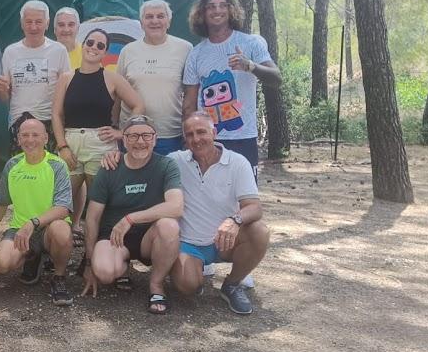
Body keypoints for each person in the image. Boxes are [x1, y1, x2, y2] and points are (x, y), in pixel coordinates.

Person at [168, 112, 270, 314]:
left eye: (201, 132)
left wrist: (235, 220)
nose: (196, 139)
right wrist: (115, 155)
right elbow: (144, 163)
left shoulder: (237, 162)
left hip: (225, 240)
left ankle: (232, 284)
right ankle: (194, 272)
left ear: (214, 133)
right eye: (190, 134)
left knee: (260, 231)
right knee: (187, 286)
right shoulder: (175, 161)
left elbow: (254, 207)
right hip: (189, 242)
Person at [81, 115, 183, 315]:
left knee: (169, 226)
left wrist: (131, 219)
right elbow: (92, 218)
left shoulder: (166, 165)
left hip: (149, 237)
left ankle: (156, 286)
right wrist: (89, 262)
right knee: (104, 273)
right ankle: (122, 264)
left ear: (155, 139)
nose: (140, 141)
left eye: (146, 135)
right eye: (133, 136)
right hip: (114, 236)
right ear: (124, 140)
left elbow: (176, 207)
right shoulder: (110, 167)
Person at [51, 28, 144, 237]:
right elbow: (56, 114)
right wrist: (62, 146)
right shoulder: (66, 78)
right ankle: (59, 244)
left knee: (99, 203)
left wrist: (122, 133)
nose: (94, 47)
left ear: (105, 52)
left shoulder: (113, 78)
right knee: (62, 199)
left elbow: (138, 105)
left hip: (101, 144)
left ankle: (95, 249)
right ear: (83, 44)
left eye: (100, 46)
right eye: (90, 42)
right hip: (71, 141)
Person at [183, 0, 281, 175]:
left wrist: (250, 66)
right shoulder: (196, 54)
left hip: (243, 137)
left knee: (245, 190)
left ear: (231, 10)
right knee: (209, 189)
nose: (217, 10)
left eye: (222, 5)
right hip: (207, 138)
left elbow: (276, 79)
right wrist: (188, 137)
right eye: (211, 7)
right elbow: (189, 103)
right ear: (202, 13)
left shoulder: (250, 43)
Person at [0, 117, 74, 307]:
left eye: (35, 135)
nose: (30, 140)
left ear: (46, 138)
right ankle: (33, 257)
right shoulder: (12, 165)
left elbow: (63, 208)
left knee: (61, 230)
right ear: (18, 139)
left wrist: (33, 223)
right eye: (25, 135)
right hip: (20, 229)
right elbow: (0, 204)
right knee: (0, 263)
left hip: (48, 228)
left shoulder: (57, 165)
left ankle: (59, 277)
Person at [116, 0, 193, 155]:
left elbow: (191, 93)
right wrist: (116, 127)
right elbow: (117, 93)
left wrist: (189, 129)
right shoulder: (127, 51)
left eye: (160, 16)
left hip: (171, 135)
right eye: (149, 17)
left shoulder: (185, 49)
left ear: (169, 21)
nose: (155, 21)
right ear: (141, 23)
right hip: (133, 134)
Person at [0, 0, 70, 153]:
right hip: (18, 122)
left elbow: (67, 90)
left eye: (38, 22)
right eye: (29, 22)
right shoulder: (10, 52)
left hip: (49, 122)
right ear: (22, 23)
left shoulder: (59, 51)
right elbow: (5, 98)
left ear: (47, 23)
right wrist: (1, 89)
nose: (33, 27)